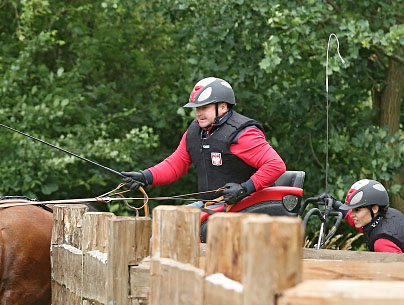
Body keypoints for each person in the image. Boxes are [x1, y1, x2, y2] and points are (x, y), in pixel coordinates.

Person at [120, 77, 286, 210]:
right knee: (168, 224)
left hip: (247, 207)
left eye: (204, 108)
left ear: (222, 107)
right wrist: (145, 177)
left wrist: (244, 189)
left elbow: (276, 165)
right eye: (197, 108)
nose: (198, 113)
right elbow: (174, 165)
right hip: (214, 207)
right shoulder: (195, 132)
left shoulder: (243, 133)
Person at [339, 179, 404, 253]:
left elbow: (395, 277)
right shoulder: (389, 214)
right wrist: (337, 205)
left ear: (374, 208)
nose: (352, 215)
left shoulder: (382, 243)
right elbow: (366, 225)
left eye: (357, 210)